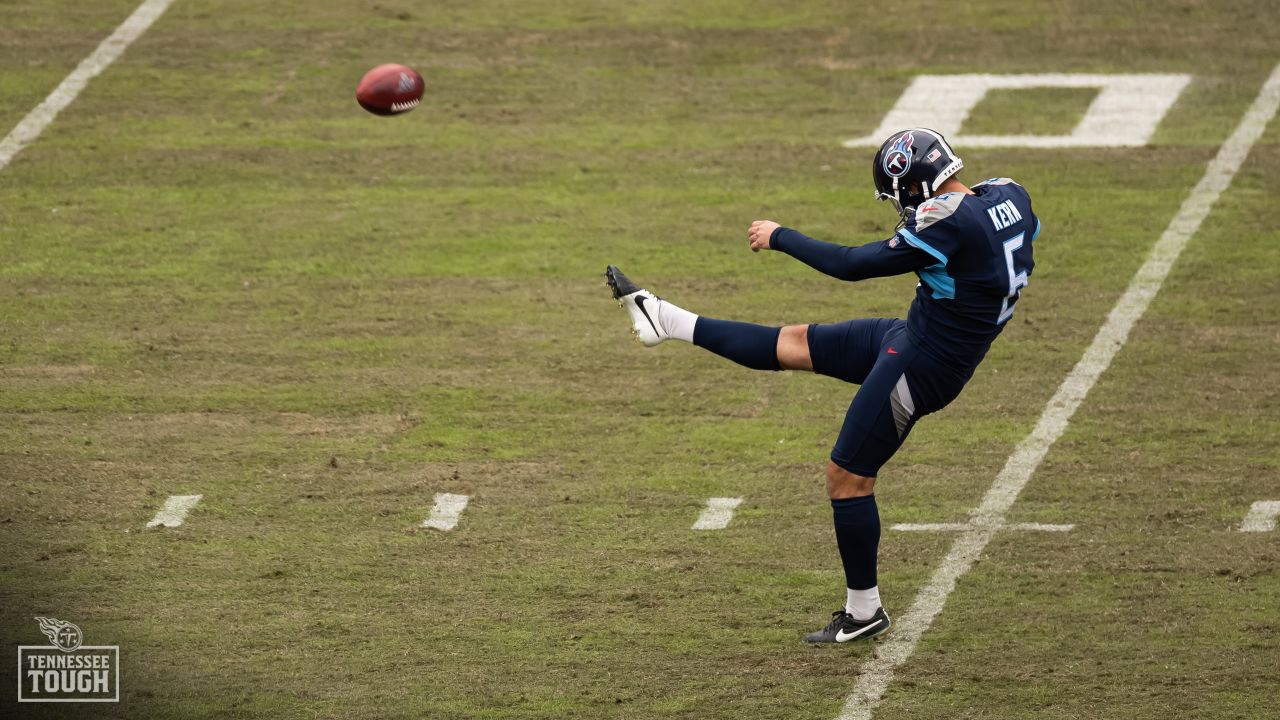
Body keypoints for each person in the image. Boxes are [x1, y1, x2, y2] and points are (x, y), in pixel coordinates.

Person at [605, 128, 1039, 643]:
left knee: (847, 475)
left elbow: (852, 265)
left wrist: (780, 235)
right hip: (918, 335)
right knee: (794, 343)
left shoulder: (945, 224)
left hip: (925, 363)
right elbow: (988, 231)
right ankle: (665, 320)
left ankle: (864, 612)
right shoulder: (1009, 195)